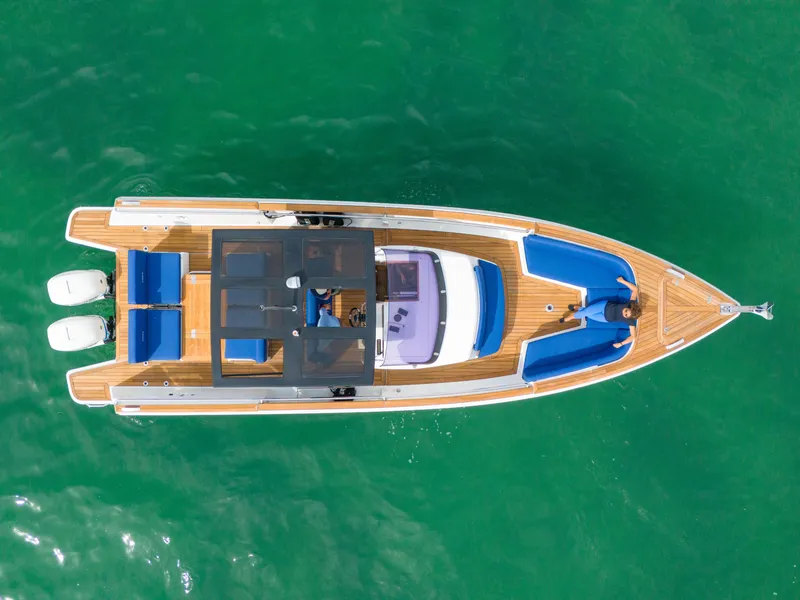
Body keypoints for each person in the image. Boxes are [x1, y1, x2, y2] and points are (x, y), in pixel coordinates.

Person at [559, 276, 642, 349]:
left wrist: (621, 344)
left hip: (604, 318)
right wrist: (622, 281)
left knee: (588, 314)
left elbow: (633, 336)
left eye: (626, 315)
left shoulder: (630, 321)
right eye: (626, 311)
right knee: (586, 312)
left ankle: (578, 308)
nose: (625, 314)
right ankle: (569, 318)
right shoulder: (631, 303)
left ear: (629, 318)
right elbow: (635, 289)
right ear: (629, 308)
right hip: (603, 306)